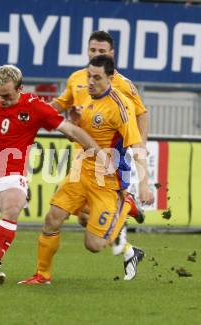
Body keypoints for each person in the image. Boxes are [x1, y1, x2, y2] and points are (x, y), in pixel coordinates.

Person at [0, 64, 104, 284]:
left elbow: (70, 130)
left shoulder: (35, 106)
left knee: (12, 207)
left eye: (6, 95)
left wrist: (100, 153)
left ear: (20, 88)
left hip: (10, 173)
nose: (1, 99)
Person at [18, 55, 150, 285]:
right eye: (89, 75)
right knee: (52, 218)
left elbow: (136, 145)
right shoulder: (85, 98)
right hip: (80, 172)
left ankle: (126, 203)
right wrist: (74, 120)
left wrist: (145, 184)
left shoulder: (120, 107)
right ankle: (43, 275)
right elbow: (80, 131)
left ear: (110, 78)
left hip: (107, 181)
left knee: (94, 245)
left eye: (97, 77)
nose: (90, 81)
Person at [51, 30, 153, 256]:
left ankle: (124, 207)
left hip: (109, 160)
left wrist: (139, 145)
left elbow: (142, 114)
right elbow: (60, 105)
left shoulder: (124, 86)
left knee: (93, 240)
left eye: (102, 51)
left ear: (112, 54)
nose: (96, 54)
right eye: (93, 50)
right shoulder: (78, 78)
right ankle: (122, 235)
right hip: (82, 161)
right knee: (83, 218)